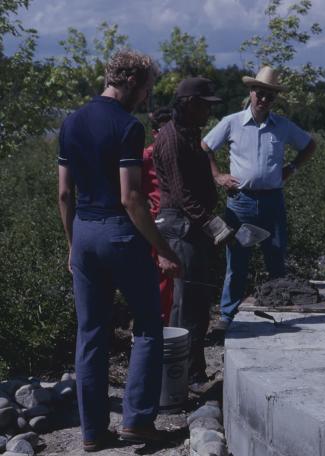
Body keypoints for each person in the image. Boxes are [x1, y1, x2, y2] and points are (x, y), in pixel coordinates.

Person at [57, 49, 181, 451]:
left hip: (84, 231)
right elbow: (132, 198)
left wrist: (72, 245)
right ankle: (137, 422)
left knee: (90, 333)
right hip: (118, 232)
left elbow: (63, 193)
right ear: (131, 82)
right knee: (147, 325)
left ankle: (92, 433)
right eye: (146, 89)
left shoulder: (70, 122)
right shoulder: (127, 127)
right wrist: (163, 249)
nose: (146, 97)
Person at [202, 66, 316, 331]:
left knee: (276, 257)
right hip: (240, 202)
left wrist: (292, 168)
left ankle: (281, 314)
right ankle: (227, 316)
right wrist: (218, 175)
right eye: (260, 93)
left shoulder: (283, 126)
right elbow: (205, 147)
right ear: (251, 92)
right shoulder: (232, 122)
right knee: (237, 262)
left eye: (270, 96)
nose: (264, 99)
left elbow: (310, 145)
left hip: (272, 201)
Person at [152, 77, 232, 388]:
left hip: (192, 227)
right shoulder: (172, 139)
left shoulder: (189, 134)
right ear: (189, 104)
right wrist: (213, 224)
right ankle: (178, 379)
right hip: (181, 227)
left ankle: (194, 372)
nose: (208, 113)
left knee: (198, 303)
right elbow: (182, 194)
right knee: (185, 305)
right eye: (204, 106)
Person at [142, 107, 175, 323]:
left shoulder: (182, 152)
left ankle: (176, 321)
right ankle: (161, 323)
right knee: (162, 275)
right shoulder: (146, 156)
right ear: (155, 133)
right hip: (159, 220)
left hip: (181, 221)